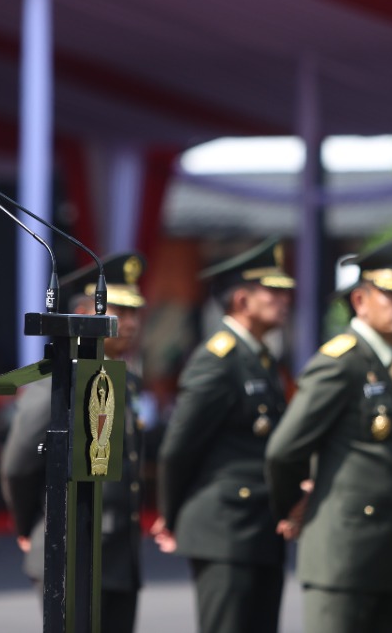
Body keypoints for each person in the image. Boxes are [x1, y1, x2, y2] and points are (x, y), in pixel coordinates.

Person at [266, 237, 392, 633]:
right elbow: (285, 449)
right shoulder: (342, 363)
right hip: (344, 559)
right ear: (360, 300)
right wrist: (296, 503)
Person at [0, 252, 148, 633]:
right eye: (119, 310)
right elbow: (18, 465)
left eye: (135, 313)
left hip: (117, 558)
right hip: (71, 549)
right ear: (84, 312)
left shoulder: (122, 379)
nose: (129, 323)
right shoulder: (57, 381)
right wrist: (29, 524)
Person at [153, 238, 293, 633]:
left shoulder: (260, 357)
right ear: (242, 301)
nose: (285, 300)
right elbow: (179, 447)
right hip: (225, 526)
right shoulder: (218, 360)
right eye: (274, 292)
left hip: (259, 523)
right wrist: (170, 512)